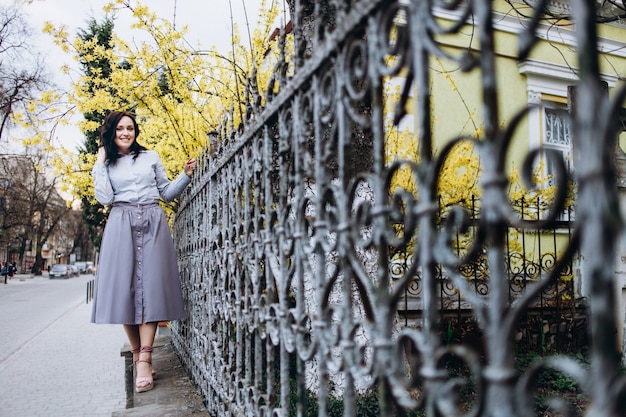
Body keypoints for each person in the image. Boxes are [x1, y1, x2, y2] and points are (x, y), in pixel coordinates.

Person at [91, 111, 196, 393]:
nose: (126, 133)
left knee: (150, 288)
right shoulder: (106, 163)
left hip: (152, 220)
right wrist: (100, 164)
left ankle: (145, 358)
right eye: (121, 129)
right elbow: (104, 198)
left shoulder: (150, 157)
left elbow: (166, 192)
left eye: (130, 128)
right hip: (120, 223)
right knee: (125, 291)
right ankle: (139, 355)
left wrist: (185, 176)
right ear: (111, 133)